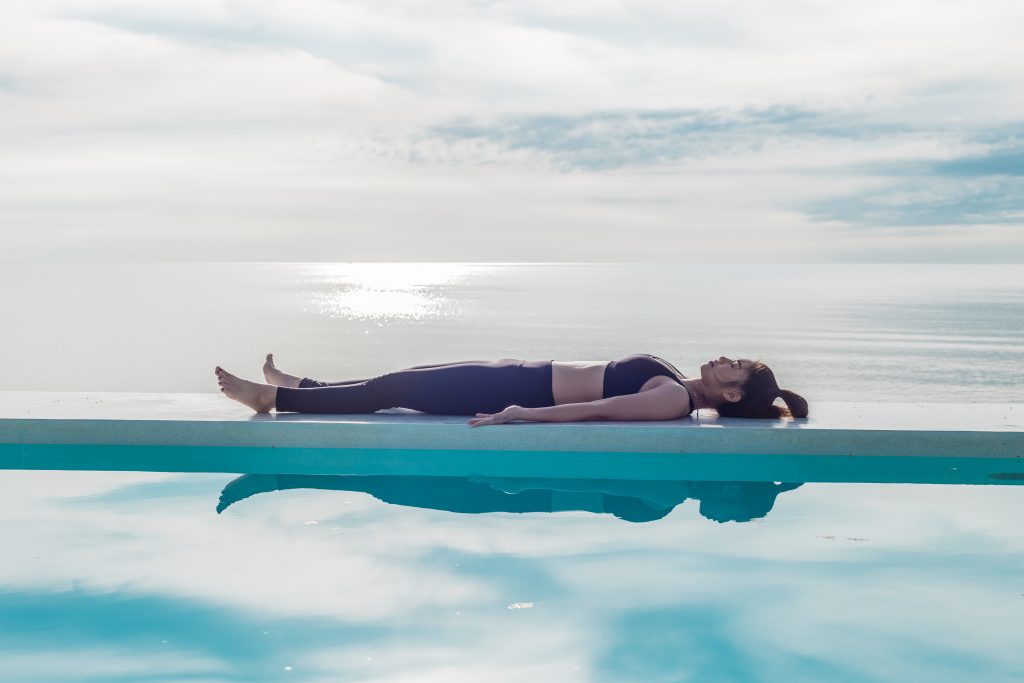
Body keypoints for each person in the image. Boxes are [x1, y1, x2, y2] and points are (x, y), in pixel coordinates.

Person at [215, 353, 808, 425]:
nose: (727, 360)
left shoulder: (673, 399)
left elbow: (599, 409)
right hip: (510, 374)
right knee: (399, 379)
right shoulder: (676, 382)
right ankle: (304, 384)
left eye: (737, 369)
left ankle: (274, 400)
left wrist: (516, 414)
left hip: (513, 390)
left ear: (731, 395)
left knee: (389, 389)